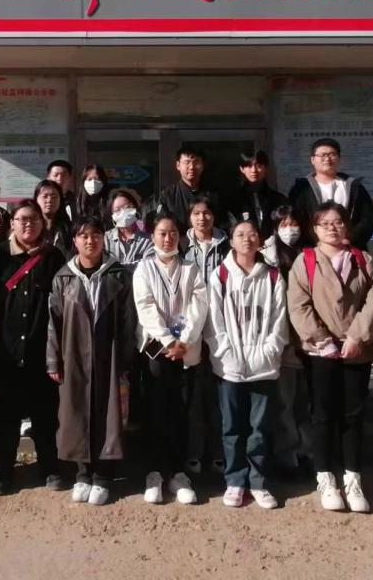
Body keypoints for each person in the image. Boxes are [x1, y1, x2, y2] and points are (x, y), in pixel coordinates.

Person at [287, 202, 373, 514]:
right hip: (320, 351)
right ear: (314, 229)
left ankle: (353, 478)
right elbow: (298, 305)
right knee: (322, 414)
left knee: (353, 414)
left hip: (357, 349)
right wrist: (322, 340)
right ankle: (325, 477)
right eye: (324, 223)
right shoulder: (305, 261)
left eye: (338, 222)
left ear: (347, 226)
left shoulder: (363, 259)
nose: (332, 227)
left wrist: (357, 336)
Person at [47, 216, 136, 506]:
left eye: (96, 235)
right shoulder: (64, 277)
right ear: (74, 241)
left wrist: (125, 359)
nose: (90, 241)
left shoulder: (118, 275)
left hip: (109, 355)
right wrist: (53, 361)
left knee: (108, 414)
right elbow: (54, 322)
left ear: (103, 239)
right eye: (83, 236)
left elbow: (129, 320)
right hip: (73, 356)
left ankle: (103, 476)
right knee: (76, 413)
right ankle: (82, 474)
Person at [205, 219, 288, 510]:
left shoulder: (273, 277)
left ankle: (258, 481)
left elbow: (279, 320)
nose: (247, 239)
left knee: (260, 427)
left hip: (263, 365)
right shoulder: (220, 275)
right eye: (240, 234)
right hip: (229, 366)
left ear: (260, 240)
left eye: (252, 234)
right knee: (232, 427)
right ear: (231, 241)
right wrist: (226, 353)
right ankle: (235, 480)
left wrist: (269, 351)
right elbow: (214, 322)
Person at [0, 199, 67, 495]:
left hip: (40, 352)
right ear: (12, 223)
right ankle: (3, 473)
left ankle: (50, 468)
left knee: (45, 416)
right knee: (5, 418)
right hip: (5, 353)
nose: (28, 224)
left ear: (42, 223)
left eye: (33, 219)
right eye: (22, 219)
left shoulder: (53, 257)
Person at [133, 214, 207, 505]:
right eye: (162, 233)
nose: (168, 238)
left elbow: (199, 305)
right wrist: (168, 340)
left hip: (185, 350)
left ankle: (178, 473)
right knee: (155, 410)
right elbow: (145, 307)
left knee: (181, 410)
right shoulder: (144, 268)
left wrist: (183, 341)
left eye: (173, 232)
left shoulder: (191, 268)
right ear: (152, 236)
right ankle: (154, 473)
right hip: (156, 349)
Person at [182, 195, 229, 475]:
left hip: (222, 329)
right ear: (189, 217)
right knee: (194, 394)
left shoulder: (228, 246)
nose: (202, 218)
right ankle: (194, 451)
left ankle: (219, 452)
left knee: (220, 393)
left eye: (207, 212)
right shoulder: (180, 245)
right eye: (197, 213)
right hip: (190, 329)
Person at [262, 204, 311, 473]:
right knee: (285, 402)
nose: (290, 230)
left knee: (308, 403)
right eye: (283, 225)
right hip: (284, 341)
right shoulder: (267, 258)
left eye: (294, 224)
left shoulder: (311, 254)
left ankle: (309, 453)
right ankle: (287, 456)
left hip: (312, 339)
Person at [287, 138, 373, 250]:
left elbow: (367, 218)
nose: (327, 158)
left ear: (339, 158)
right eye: (322, 155)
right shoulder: (300, 189)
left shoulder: (354, 187)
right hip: (313, 251)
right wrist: (316, 244)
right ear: (313, 159)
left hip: (349, 249)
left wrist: (349, 240)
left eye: (332, 154)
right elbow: (296, 220)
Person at [150, 144, 218, 229]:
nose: (191, 167)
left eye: (196, 162)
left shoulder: (213, 194)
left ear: (203, 165)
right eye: (187, 162)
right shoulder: (166, 195)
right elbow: (158, 217)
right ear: (178, 165)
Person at [225, 150, 288, 240]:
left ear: (265, 168)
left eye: (259, 166)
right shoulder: (234, 200)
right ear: (242, 169)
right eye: (249, 166)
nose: (254, 170)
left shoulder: (278, 199)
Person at [103, 188, 153, 272]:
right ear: (112, 214)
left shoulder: (147, 239)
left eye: (127, 207)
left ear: (135, 207)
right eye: (118, 210)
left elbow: (148, 266)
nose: (123, 212)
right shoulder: (106, 239)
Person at [35, 179, 72, 257]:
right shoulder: (30, 228)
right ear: (36, 199)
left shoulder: (69, 229)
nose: (49, 200)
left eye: (54, 197)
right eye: (45, 196)